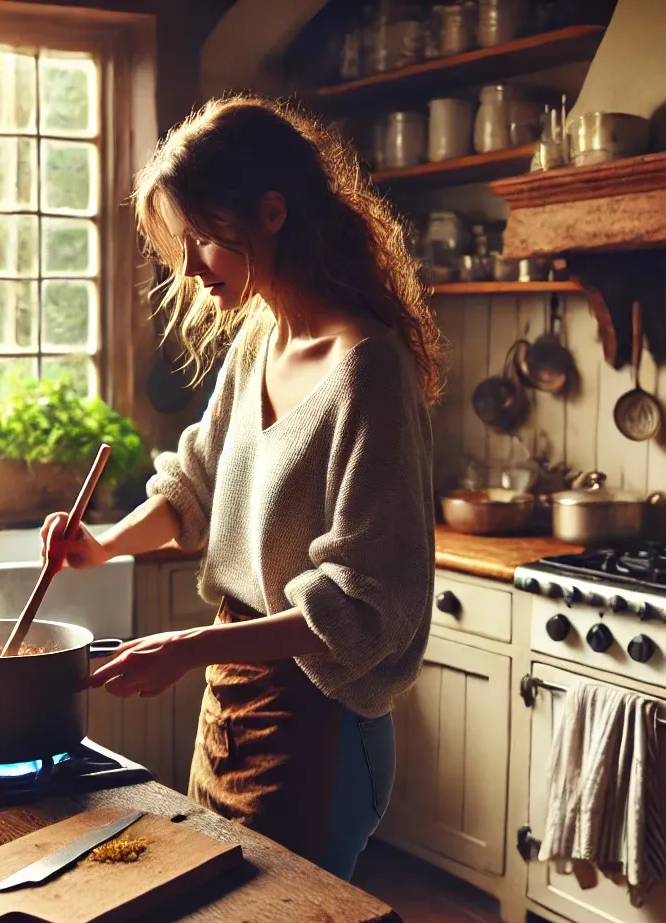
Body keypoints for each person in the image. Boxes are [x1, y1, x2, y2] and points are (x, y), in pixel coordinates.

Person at [40, 96, 441, 880]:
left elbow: (362, 604)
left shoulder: (369, 371)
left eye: (204, 241)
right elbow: (194, 484)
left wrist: (190, 647)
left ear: (272, 211)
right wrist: (105, 544)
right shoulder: (259, 343)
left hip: (321, 720)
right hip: (233, 696)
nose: (189, 269)